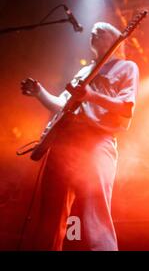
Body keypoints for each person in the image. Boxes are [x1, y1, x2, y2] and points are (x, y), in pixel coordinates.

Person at [20, 22, 139, 250]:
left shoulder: (126, 68)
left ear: (115, 40)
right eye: (93, 32)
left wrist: (91, 95)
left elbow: (126, 108)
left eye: (101, 32)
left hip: (96, 142)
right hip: (64, 144)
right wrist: (39, 93)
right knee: (50, 217)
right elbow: (62, 106)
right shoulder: (84, 72)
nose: (94, 33)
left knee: (96, 216)